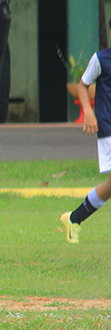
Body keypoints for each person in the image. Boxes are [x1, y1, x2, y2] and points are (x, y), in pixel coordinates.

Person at [60, 47, 111, 243]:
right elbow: (82, 86)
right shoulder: (101, 59)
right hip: (108, 127)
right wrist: (88, 112)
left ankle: (73, 218)